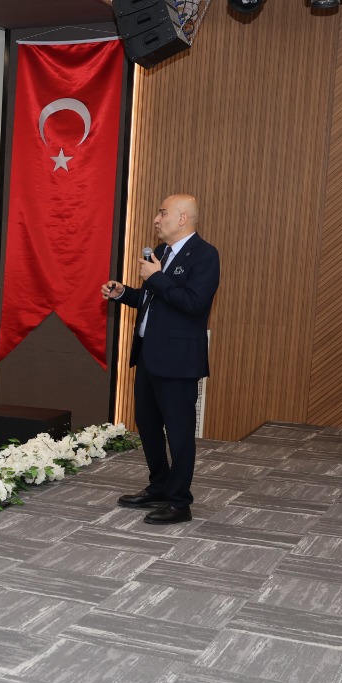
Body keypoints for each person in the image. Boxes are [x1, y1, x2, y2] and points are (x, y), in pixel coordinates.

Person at [102, 193, 220, 526]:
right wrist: (124, 293)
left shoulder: (205, 255)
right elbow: (153, 299)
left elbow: (193, 303)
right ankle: (159, 487)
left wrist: (156, 277)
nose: (156, 219)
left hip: (179, 361)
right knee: (149, 426)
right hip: (149, 357)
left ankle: (179, 502)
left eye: (162, 213)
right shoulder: (161, 252)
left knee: (179, 434)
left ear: (183, 218)